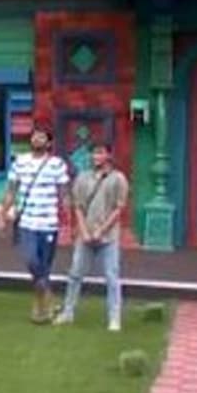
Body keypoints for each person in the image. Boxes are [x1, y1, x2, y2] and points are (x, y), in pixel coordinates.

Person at [0, 126, 70, 324]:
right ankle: (50, 299)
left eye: (42, 137)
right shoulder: (20, 162)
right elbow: (11, 191)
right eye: (35, 136)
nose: (37, 140)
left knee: (43, 269)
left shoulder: (57, 164)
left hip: (49, 224)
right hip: (26, 223)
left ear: (49, 142)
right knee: (31, 261)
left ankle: (39, 308)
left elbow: (64, 194)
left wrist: (69, 221)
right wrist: (3, 216)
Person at [56, 142, 129, 331]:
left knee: (112, 277)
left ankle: (114, 318)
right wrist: (84, 231)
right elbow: (78, 207)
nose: (96, 157)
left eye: (100, 153)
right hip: (85, 236)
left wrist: (101, 231)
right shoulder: (82, 177)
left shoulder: (118, 179)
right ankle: (68, 312)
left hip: (108, 237)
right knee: (75, 274)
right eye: (94, 153)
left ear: (109, 155)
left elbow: (119, 209)